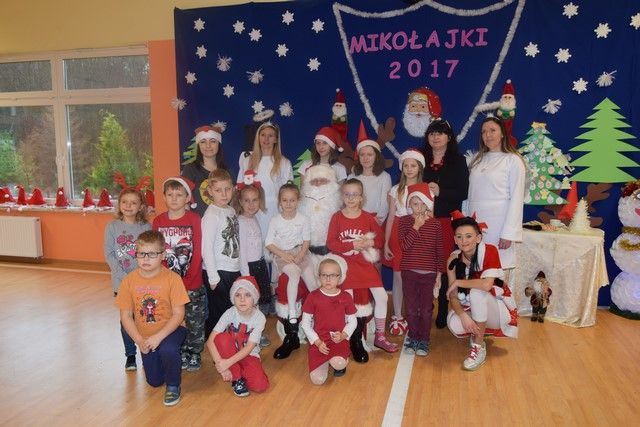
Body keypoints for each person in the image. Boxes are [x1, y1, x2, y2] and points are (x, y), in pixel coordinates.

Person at [115, 230, 189, 406]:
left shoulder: (173, 279)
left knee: (168, 349)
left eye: (152, 254)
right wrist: (140, 340)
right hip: (145, 337)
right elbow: (126, 317)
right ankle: (165, 361)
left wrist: (158, 338)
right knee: (154, 382)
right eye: (141, 254)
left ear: (162, 255)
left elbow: (179, 314)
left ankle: (173, 385)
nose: (146, 259)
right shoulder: (128, 281)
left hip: (173, 329)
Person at [327, 178, 398, 362]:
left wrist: (369, 241)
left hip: (365, 265)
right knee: (349, 303)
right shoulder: (337, 217)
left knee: (382, 297)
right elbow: (331, 243)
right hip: (346, 266)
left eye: (355, 195)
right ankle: (352, 339)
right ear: (342, 196)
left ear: (361, 197)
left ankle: (380, 336)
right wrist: (351, 244)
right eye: (347, 194)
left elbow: (380, 241)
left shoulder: (367, 218)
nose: (351, 198)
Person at [446, 214, 518, 371]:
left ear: (478, 238)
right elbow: (453, 295)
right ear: (455, 240)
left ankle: (478, 348)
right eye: (459, 237)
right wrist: (463, 315)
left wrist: (458, 282)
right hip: (473, 307)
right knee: (454, 323)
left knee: (476, 292)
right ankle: (479, 333)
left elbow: (486, 285)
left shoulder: (489, 250)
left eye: (468, 236)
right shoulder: (453, 260)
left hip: (498, 310)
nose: (464, 241)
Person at [152, 177, 204, 371]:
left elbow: (197, 252)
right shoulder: (158, 221)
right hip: (168, 284)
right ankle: (180, 350)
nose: (174, 199)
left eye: (179, 195)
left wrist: (188, 278)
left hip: (192, 283)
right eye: (170, 195)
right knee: (173, 318)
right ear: (164, 197)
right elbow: (157, 251)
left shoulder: (194, 220)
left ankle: (194, 352)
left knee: (194, 320)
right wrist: (165, 280)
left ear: (187, 198)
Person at [421, 118, 469, 328]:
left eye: (440, 133)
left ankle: (443, 306)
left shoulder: (458, 161)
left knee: (445, 266)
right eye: (432, 133)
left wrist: (441, 192)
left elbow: (463, 192)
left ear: (449, 137)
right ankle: (425, 306)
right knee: (424, 265)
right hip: (423, 221)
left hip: (447, 221)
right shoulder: (421, 159)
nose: (435, 137)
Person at [265, 182, 317, 359]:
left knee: (313, 285)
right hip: (283, 255)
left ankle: (318, 319)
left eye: (292, 200)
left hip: (301, 253)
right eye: (285, 200)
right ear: (280, 201)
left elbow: (306, 240)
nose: (288, 203)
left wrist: (301, 255)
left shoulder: (303, 219)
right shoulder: (275, 220)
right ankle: (292, 314)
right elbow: (269, 243)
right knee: (293, 275)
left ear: (298, 201)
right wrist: (284, 255)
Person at [467, 116, 526, 272]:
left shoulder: (513, 160)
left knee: (494, 272)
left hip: (498, 227)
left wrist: (509, 233)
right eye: (484, 132)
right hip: (476, 225)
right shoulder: (477, 160)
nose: (488, 135)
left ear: (502, 134)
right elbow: (471, 195)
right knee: (476, 269)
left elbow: (517, 198)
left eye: (492, 130)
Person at [104, 187, 151, 371]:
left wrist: (142, 276)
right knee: (126, 319)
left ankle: (146, 350)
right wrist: (124, 277)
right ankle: (130, 355)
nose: (128, 206)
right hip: (121, 282)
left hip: (143, 281)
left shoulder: (146, 227)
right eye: (124, 202)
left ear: (141, 206)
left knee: (145, 317)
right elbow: (109, 254)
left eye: (133, 203)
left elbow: (150, 253)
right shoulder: (112, 227)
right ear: (119, 204)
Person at [398, 183, 445, 356]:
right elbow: (404, 246)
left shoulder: (436, 224)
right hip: (409, 272)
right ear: (409, 204)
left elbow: (439, 251)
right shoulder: (404, 222)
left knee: (425, 310)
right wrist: (416, 227)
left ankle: (424, 340)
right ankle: (413, 337)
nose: (418, 207)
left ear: (428, 204)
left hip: (429, 274)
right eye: (415, 203)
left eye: (422, 203)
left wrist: (439, 274)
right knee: (411, 308)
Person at [384, 149, 425, 336]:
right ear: (401, 168)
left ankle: (414, 313)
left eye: (413, 165)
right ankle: (398, 316)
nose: (409, 169)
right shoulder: (395, 190)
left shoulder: (425, 189)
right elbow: (391, 217)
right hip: (398, 234)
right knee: (399, 276)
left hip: (418, 232)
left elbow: (429, 216)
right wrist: (386, 243)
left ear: (419, 168)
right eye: (406, 165)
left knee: (415, 276)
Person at [207, 276, 270, 397]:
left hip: (248, 355)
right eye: (237, 295)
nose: (242, 299)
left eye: (247, 295)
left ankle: (239, 369)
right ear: (233, 298)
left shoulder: (260, 318)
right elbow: (210, 341)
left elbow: (249, 347)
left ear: (254, 298)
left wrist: (227, 363)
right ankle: (237, 379)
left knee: (260, 386)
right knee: (221, 338)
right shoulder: (230, 313)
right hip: (229, 352)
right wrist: (221, 366)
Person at [300, 254, 357, 384]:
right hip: (320, 341)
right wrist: (317, 342)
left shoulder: (346, 297)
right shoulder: (313, 297)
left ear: (340, 277)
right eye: (324, 275)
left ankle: (337, 360)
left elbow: (353, 321)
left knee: (339, 364)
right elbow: (305, 324)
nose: (328, 279)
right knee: (317, 380)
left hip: (338, 340)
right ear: (319, 276)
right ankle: (326, 360)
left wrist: (343, 335)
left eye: (333, 275)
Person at [233, 172, 272, 346]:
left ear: (260, 201)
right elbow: (242, 251)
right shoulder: (241, 221)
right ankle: (250, 333)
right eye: (247, 200)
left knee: (260, 301)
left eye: (254, 200)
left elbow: (258, 245)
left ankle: (258, 330)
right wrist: (246, 275)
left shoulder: (254, 218)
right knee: (251, 302)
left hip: (259, 265)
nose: (251, 204)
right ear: (240, 202)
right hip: (249, 268)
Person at [201, 169, 241, 338]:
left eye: (227, 189)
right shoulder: (212, 214)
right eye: (218, 190)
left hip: (232, 268)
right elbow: (206, 247)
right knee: (220, 311)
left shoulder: (230, 210)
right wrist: (212, 277)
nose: (224, 194)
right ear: (210, 191)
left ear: (233, 188)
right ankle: (215, 341)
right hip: (218, 271)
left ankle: (230, 339)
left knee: (231, 308)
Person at [237, 121, 294, 237]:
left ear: (276, 139)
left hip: (275, 211)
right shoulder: (247, 161)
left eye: (270, 135)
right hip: (253, 211)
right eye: (263, 135)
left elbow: (289, 192)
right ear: (258, 137)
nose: (266, 139)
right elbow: (240, 188)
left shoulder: (284, 163)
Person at [348, 124, 392, 225]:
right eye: (362, 155)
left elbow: (385, 204)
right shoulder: (352, 177)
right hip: (354, 220)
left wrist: (377, 221)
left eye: (370, 154)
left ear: (376, 157)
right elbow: (347, 200)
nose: (365, 158)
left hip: (374, 221)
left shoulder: (384, 177)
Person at [182, 124, 228, 217]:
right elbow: (183, 200)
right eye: (203, 142)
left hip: (222, 222)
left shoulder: (226, 172)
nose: (208, 146)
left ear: (218, 144)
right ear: (198, 145)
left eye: (213, 141)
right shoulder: (190, 169)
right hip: (198, 222)